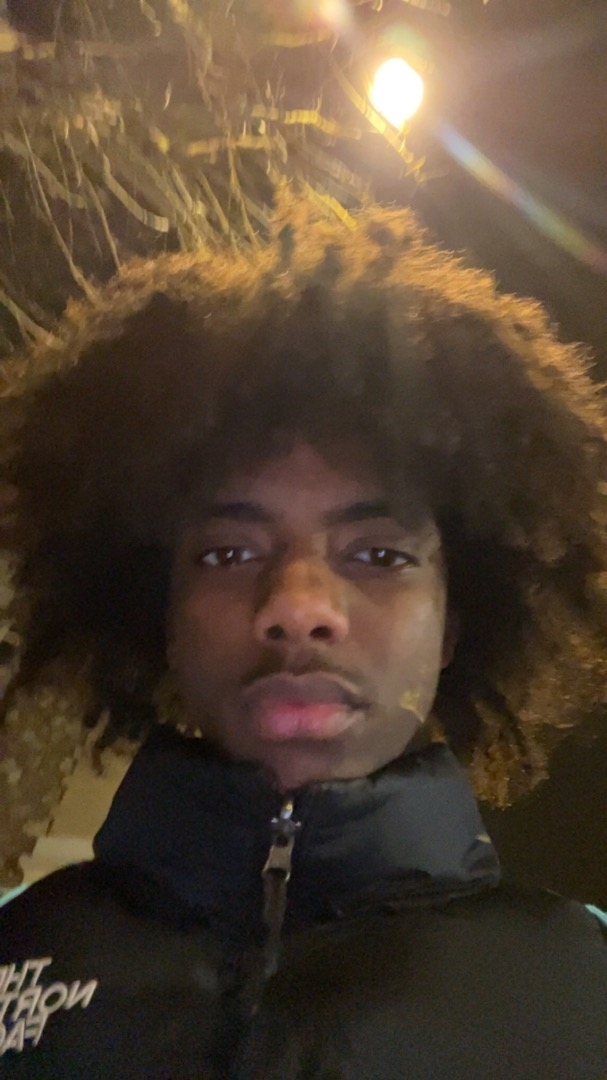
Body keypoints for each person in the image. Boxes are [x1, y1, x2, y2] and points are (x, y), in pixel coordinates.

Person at [0, 201, 607, 1079]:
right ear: (160, 614)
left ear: (455, 624)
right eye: (228, 552)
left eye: (378, 555)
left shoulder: (583, 991)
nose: (297, 607)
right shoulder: (19, 947)